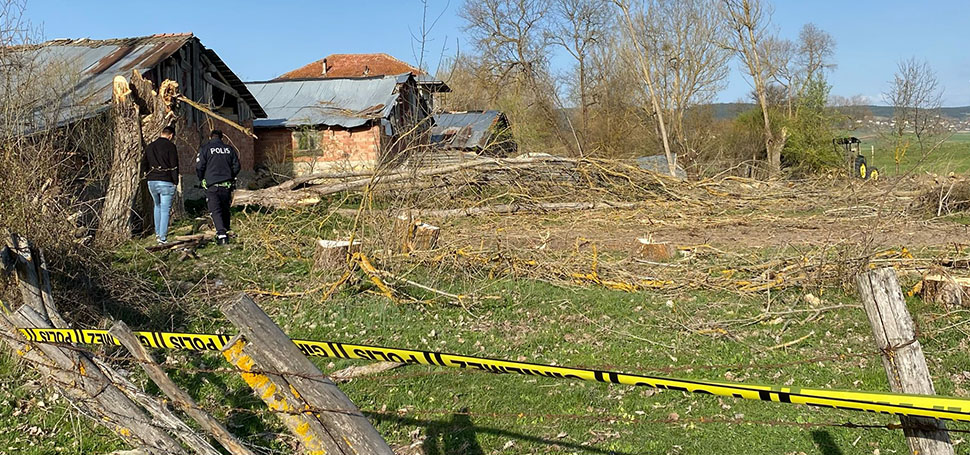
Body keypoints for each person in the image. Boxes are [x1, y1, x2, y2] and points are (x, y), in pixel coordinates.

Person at [196, 130, 240, 246]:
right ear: (221, 138)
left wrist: (202, 179)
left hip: (212, 184)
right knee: (225, 208)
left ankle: (222, 235)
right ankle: (227, 228)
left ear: (210, 137)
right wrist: (231, 176)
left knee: (215, 210)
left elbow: (200, 166)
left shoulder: (205, 149)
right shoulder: (229, 149)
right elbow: (237, 166)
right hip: (226, 184)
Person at [142, 126, 179, 244]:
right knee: (165, 210)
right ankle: (162, 238)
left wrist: (148, 176)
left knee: (157, 206)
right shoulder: (171, 147)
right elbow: (174, 165)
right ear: (171, 136)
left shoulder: (150, 146)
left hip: (152, 181)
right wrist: (175, 181)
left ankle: (157, 233)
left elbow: (143, 164)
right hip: (166, 181)